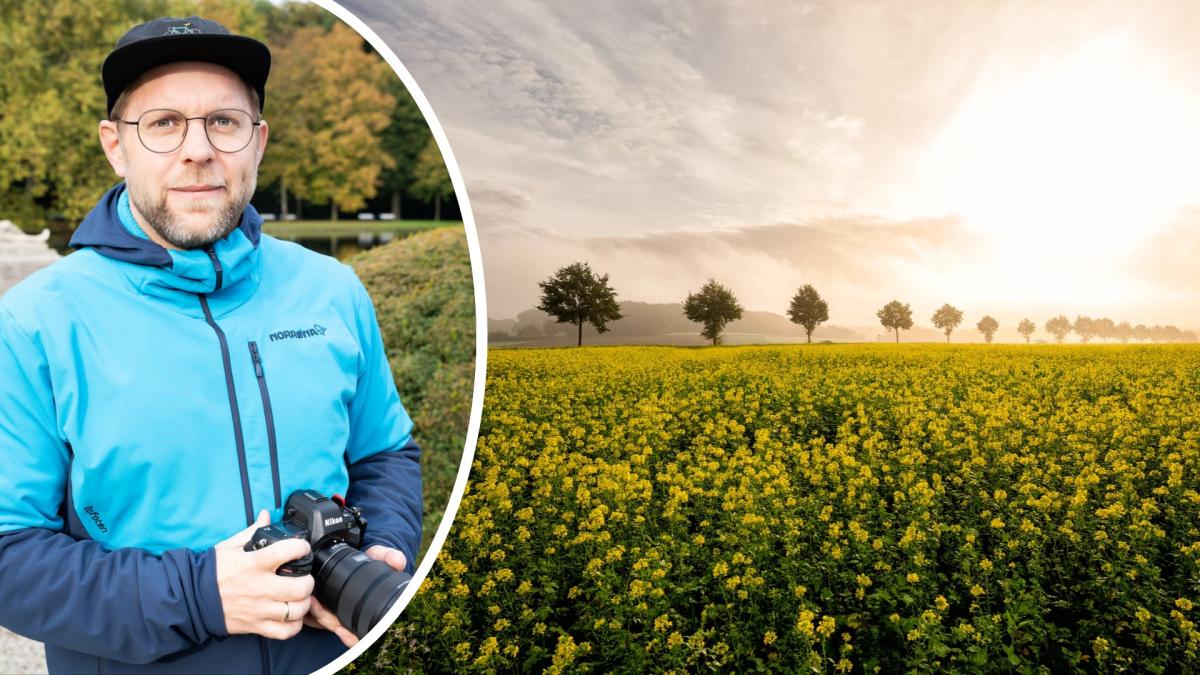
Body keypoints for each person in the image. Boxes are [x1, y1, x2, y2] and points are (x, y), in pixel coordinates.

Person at [0, 16, 422, 674]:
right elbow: (9, 557)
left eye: (224, 122)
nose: (197, 150)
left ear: (258, 142)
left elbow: (387, 452)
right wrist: (200, 596)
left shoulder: (333, 289)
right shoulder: (33, 324)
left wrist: (382, 553)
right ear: (116, 146)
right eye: (163, 123)